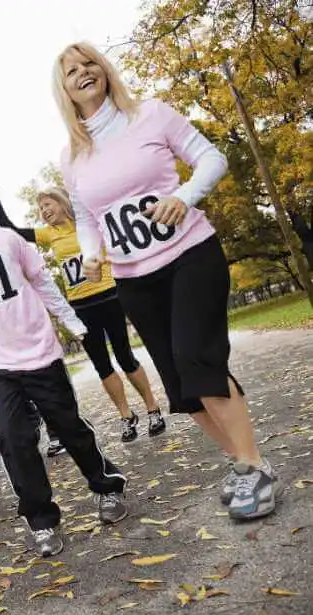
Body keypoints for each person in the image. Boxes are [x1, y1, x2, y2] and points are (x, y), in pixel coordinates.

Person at [54, 41, 277, 521]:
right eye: (72, 71)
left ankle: (256, 471)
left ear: (105, 70)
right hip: (135, 279)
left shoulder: (150, 115)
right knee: (180, 389)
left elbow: (212, 158)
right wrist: (92, 255)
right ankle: (243, 462)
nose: (83, 72)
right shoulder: (71, 158)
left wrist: (185, 196)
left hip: (189, 255)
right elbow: (87, 219)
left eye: (89, 62)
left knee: (198, 359)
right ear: (65, 90)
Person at [0, 179, 128, 557]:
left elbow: (43, 283)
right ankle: (41, 520)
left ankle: (107, 486)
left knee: (68, 426)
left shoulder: (8, 241)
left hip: (40, 354)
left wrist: (73, 322)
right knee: (13, 438)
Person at [0, 185, 166, 443]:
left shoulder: (88, 224)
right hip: (80, 306)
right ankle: (126, 416)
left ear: (62, 202)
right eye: (41, 208)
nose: (44, 211)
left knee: (125, 356)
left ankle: (152, 408)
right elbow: (13, 231)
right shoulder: (49, 234)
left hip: (110, 296)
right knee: (102, 364)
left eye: (48, 204)